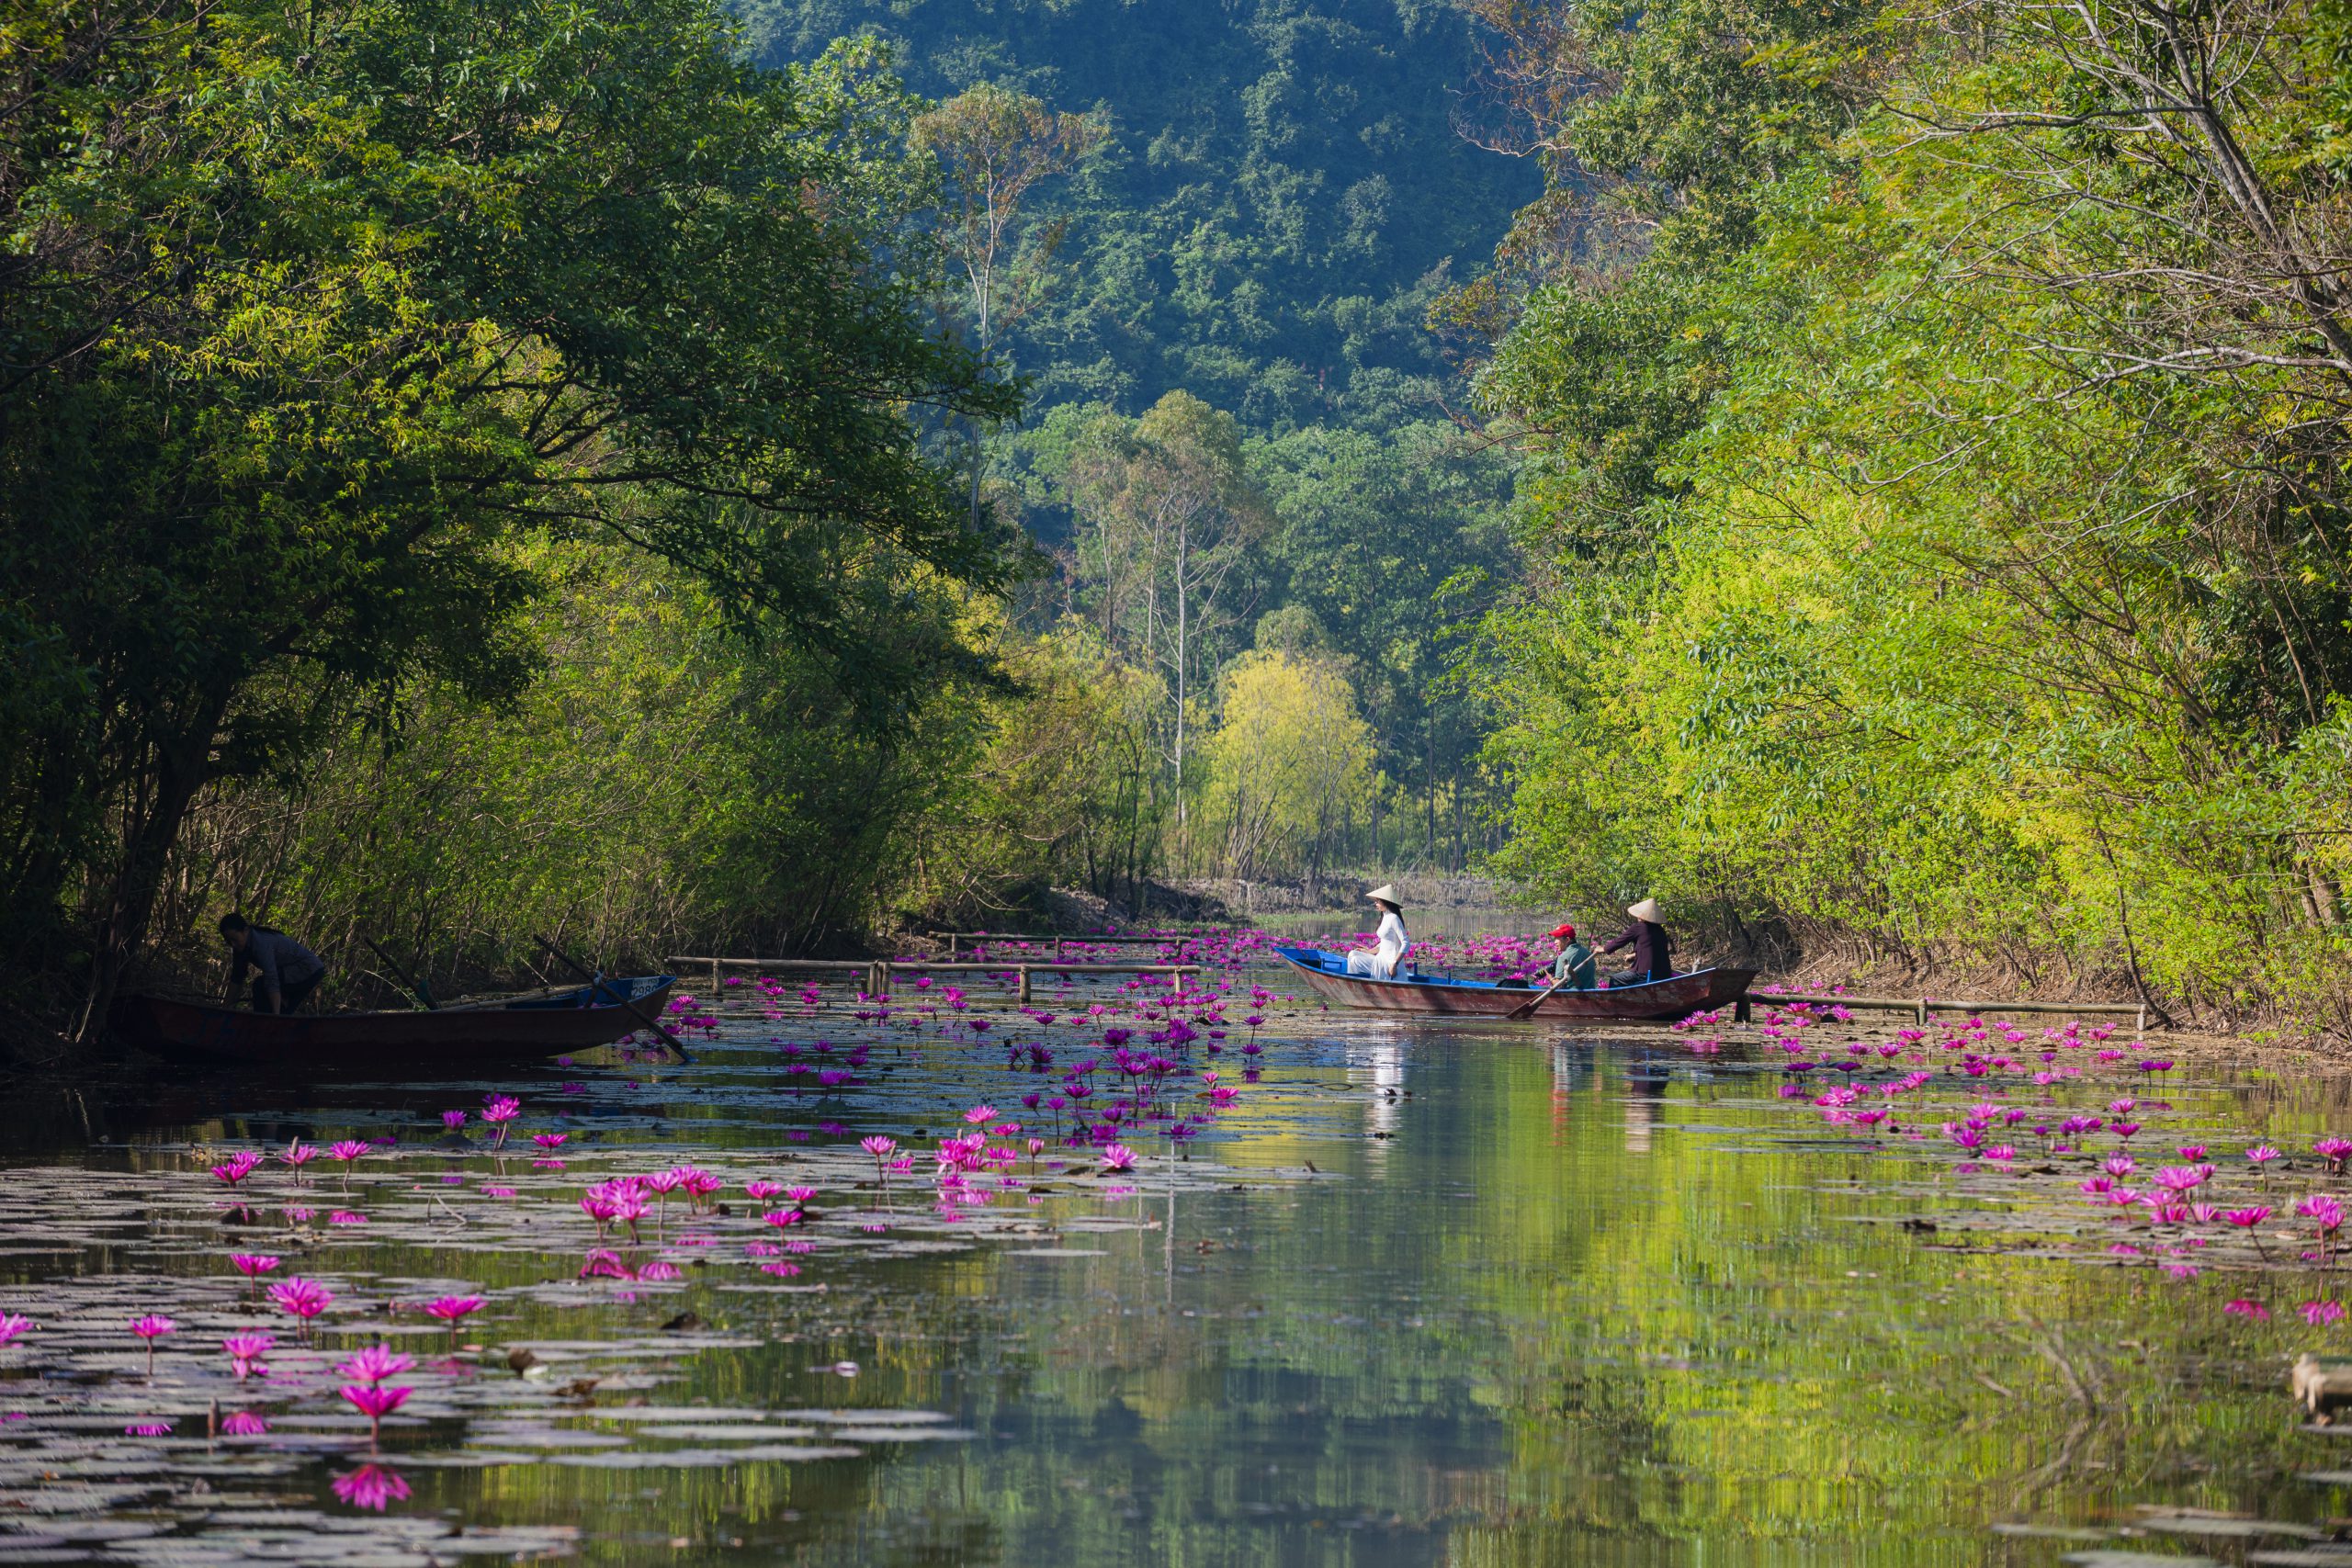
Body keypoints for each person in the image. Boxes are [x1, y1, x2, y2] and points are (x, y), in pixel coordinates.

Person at [219, 913, 327, 1014]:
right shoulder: (240, 947)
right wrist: (224, 1010)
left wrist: (275, 1016)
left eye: (235, 939)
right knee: (272, 997)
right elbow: (237, 978)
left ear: (245, 931)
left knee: (260, 985)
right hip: (294, 971)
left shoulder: (260, 943)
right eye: (228, 941)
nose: (232, 944)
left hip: (308, 969)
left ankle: (269, 1019)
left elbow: (272, 979)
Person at [1598, 897, 1673, 988]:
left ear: (1642, 916)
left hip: (1646, 974)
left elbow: (1619, 941)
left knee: (1615, 979)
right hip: (1665, 974)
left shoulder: (1638, 927)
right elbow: (1651, 949)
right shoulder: (1661, 930)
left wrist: (1602, 949)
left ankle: (1615, 997)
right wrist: (1633, 955)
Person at [1344, 886, 1411, 979]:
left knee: (1355, 960)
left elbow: (1406, 943)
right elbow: (1384, 943)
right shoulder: (1385, 917)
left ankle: (1355, 982)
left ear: (1386, 901)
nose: (1375, 903)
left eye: (1378, 901)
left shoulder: (1394, 918)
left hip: (1388, 963)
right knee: (1353, 953)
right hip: (1380, 958)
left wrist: (1395, 964)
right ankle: (1356, 981)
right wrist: (1369, 951)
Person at [1547, 923, 1597, 990]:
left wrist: (1550, 977)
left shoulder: (1563, 957)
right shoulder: (1588, 953)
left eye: (1557, 939)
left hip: (1572, 994)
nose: (1555, 942)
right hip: (1591, 993)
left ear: (1567, 940)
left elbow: (1558, 986)